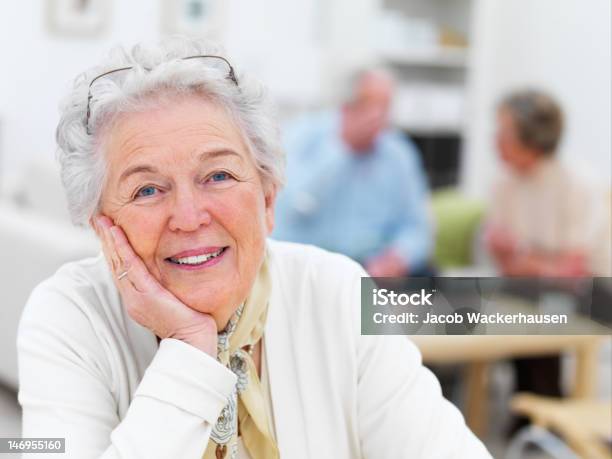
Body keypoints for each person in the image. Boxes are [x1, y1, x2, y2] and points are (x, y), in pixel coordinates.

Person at [17, 37, 490, 458]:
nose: (189, 217)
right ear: (104, 227)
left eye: (218, 176)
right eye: (147, 190)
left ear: (266, 198)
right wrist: (189, 351)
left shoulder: (338, 291)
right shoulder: (68, 315)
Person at [486, 89, 612, 435]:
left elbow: (573, 270)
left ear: (533, 139)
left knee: (539, 310)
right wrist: (529, 261)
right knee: (509, 303)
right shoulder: (503, 183)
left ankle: (544, 412)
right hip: (535, 285)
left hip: (591, 290)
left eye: (503, 132)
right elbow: (503, 256)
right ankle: (534, 411)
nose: (494, 141)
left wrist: (524, 258)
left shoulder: (577, 182)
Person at [273, 70, 433, 277]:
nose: (376, 116)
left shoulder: (399, 153)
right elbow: (291, 206)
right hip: (311, 264)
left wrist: (399, 257)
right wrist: (342, 149)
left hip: (371, 267)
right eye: (367, 105)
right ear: (346, 107)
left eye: (384, 107)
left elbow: (418, 227)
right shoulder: (304, 137)